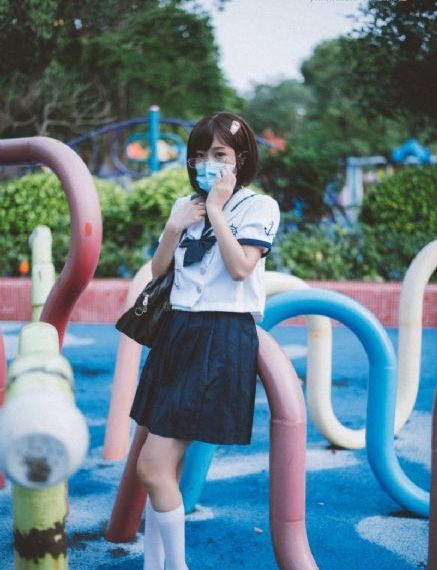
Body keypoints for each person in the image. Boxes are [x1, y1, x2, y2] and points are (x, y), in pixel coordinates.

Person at [130, 111, 280, 570]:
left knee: (152, 467)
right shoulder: (185, 204)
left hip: (220, 334)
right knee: (161, 468)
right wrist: (174, 226)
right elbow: (159, 271)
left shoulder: (258, 206)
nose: (207, 164)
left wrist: (216, 209)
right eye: (199, 155)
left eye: (219, 154)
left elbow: (240, 268)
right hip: (177, 332)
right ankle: (154, 565)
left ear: (241, 159)